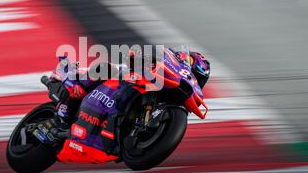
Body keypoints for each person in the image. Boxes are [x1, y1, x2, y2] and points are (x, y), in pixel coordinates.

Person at [42, 48, 210, 139]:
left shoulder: (179, 98)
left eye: (199, 80)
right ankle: (66, 107)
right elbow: (135, 54)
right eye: (195, 72)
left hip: (133, 99)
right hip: (127, 77)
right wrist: (138, 57)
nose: (194, 78)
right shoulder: (168, 58)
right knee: (106, 68)